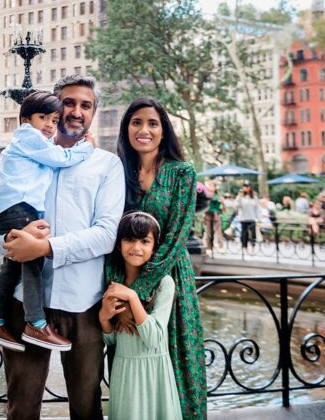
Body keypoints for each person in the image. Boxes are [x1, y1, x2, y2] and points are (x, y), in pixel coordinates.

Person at [0, 74, 124, 420]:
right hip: (23, 305)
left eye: (85, 105)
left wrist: (43, 248)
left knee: (86, 407)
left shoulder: (107, 164)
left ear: (93, 113)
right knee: (21, 408)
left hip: (84, 305)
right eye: (68, 103)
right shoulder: (21, 157)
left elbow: (106, 235)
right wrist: (13, 243)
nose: (76, 111)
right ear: (54, 109)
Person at [106, 96, 207, 420]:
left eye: (152, 123)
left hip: (169, 280)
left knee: (177, 360)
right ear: (126, 129)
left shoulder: (182, 172)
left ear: (164, 131)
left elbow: (178, 235)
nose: (144, 130)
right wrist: (116, 285)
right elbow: (110, 232)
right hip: (123, 279)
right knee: (127, 360)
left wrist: (141, 289)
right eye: (136, 122)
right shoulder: (117, 171)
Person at [0, 91, 94, 352]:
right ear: (24, 119)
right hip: (19, 208)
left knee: (13, 265)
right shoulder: (28, 137)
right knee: (32, 261)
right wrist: (86, 147)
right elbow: (59, 159)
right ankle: (36, 323)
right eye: (43, 118)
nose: (49, 125)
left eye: (54, 121)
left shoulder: (33, 143)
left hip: (11, 209)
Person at [99, 211, 182, 420]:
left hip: (155, 370)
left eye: (145, 241)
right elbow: (110, 340)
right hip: (124, 370)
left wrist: (133, 298)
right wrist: (103, 317)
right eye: (129, 240)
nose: (136, 248)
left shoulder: (164, 283)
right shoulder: (113, 283)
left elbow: (153, 338)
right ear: (119, 244)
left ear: (154, 247)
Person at [235, 185, 260, 250]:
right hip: (243, 218)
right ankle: (244, 246)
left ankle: (253, 246)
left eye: (248, 186)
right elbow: (236, 206)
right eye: (245, 187)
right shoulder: (241, 197)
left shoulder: (254, 197)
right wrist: (239, 198)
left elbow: (257, 208)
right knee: (244, 233)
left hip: (252, 218)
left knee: (253, 233)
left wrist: (258, 218)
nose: (246, 188)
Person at [202, 181, 224, 254]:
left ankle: (220, 247)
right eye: (209, 185)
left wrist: (222, 203)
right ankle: (209, 247)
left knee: (218, 232)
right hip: (208, 214)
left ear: (215, 187)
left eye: (212, 185)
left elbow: (222, 207)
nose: (210, 187)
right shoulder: (206, 195)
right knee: (208, 232)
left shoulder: (218, 195)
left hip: (216, 214)